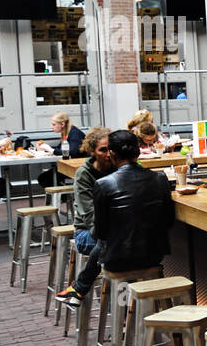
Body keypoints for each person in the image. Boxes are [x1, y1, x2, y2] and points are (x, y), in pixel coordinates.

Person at [91, 130, 175, 274]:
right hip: (154, 256)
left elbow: (100, 231)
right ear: (138, 152)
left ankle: (80, 289)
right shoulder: (160, 178)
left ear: (111, 153)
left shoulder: (103, 184)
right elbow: (169, 221)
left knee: (98, 243)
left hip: (117, 259)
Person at [54, 127, 114, 307]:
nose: (108, 154)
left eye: (111, 149)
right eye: (103, 150)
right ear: (92, 151)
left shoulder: (118, 167)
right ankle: (123, 313)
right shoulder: (84, 175)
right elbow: (91, 220)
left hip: (112, 233)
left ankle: (78, 289)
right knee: (111, 243)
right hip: (86, 233)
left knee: (121, 244)